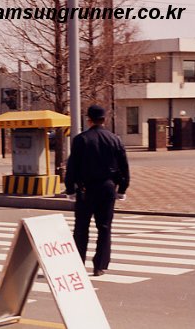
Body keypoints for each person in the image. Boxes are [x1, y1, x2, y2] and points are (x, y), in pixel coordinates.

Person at [65, 105, 130, 277]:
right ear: (104, 119)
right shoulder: (115, 139)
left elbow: (72, 167)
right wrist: (122, 188)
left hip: (86, 188)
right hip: (108, 187)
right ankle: (100, 265)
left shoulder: (81, 139)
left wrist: (70, 188)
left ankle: (78, 262)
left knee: (81, 227)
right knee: (105, 227)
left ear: (89, 120)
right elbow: (124, 166)